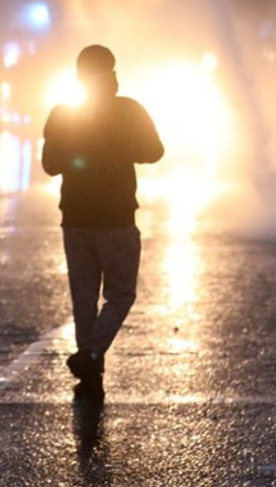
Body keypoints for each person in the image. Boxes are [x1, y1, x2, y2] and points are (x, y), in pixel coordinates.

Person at [41, 45, 164, 402]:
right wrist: (120, 149)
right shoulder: (129, 111)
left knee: (84, 298)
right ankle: (92, 356)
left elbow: (50, 165)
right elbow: (155, 152)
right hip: (116, 219)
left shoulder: (62, 114)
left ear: (78, 76)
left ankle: (91, 374)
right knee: (121, 294)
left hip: (75, 219)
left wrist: (79, 157)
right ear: (112, 74)